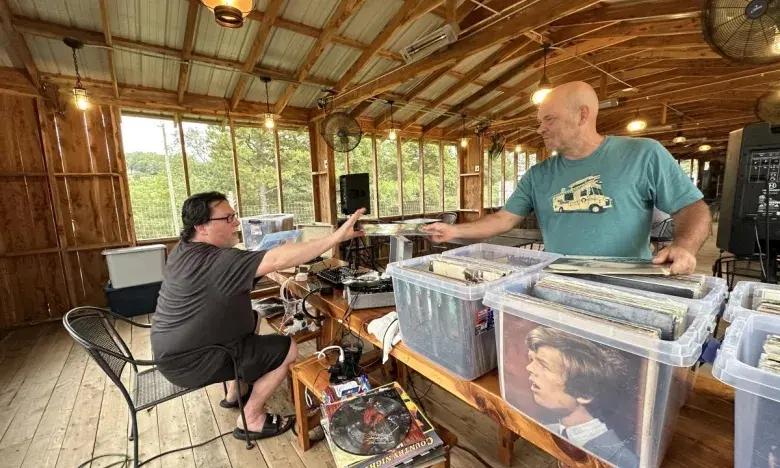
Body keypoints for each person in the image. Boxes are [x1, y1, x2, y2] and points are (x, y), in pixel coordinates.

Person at [423, 81, 711, 275]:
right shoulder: (539, 174)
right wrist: (454, 232)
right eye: (539, 122)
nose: (541, 129)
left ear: (582, 115)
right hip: (558, 281)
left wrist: (684, 246)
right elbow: (503, 220)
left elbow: (692, 207)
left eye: (549, 119)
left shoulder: (643, 153)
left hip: (626, 282)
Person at [151, 192, 364, 440]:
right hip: (192, 361)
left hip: (173, 350)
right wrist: (337, 237)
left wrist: (268, 257)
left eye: (235, 216)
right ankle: (251, 417)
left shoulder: (185, 250)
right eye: (228, 218)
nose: (237, 223)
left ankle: (236, 392)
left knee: (251, 318)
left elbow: (240, 275)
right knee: (287, 348)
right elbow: (275, 260)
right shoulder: (218, 260)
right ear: (201, 227)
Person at [525, 326, 638, 468]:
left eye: (543, 365)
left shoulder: (623, 460)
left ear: (585, 392)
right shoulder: (548, 430)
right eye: (531, 359)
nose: (529, 368)